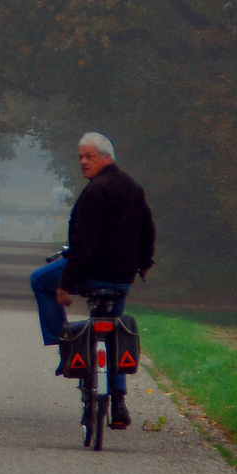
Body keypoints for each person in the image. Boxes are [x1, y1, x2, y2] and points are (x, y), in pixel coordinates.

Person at [29, 132, 155, 430]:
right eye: (81, 157)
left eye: (89, 157)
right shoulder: (134, 188)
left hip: (90, 274)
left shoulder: (95, 191)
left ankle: (65, 346)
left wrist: (64, 284)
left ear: (107, 158)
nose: (83, 162)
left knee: (39, 280)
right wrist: (143, 264)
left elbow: (82, 247)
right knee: (114, 333)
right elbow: (148, 230)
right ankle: (119, 402)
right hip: (120, 279)